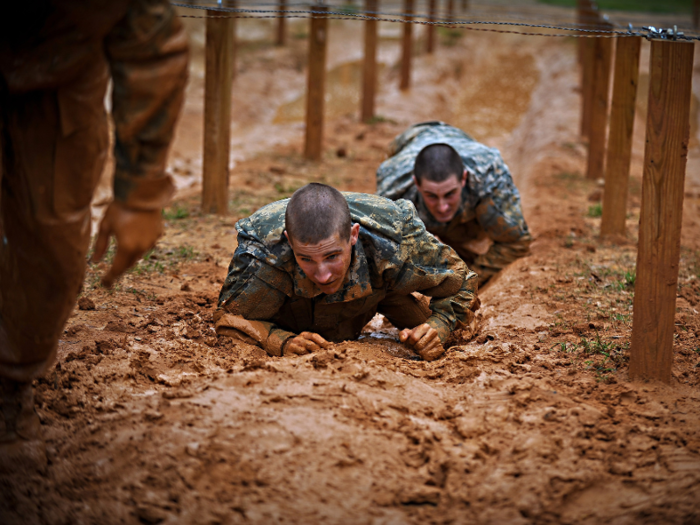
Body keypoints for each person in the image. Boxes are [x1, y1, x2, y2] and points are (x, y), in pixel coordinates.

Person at [0, 0, 189, 444]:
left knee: (52, 241)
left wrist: (139, 195)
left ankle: (10, 380)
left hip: (58, 78)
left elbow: (153, 45)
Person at [216, 183, 479, 361]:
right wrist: (281, 342)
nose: (322, 275)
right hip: (293, 309)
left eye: (332, 256)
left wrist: (439, 326)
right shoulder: (265, 253)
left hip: (379, 290)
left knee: (437, 330)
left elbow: (461, 282)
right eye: (305, 258)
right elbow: (228, 319)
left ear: (353, 234)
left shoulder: (396, 239)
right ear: (288, 240)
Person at [376, 121, 531, 285]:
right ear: (417, 183)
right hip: (409, 139)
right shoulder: (393, 187)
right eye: (432, 196)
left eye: (450, 194)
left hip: (461, 141)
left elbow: (516, 243)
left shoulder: (488, 180)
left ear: (464, 179)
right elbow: (380, 252)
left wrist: (468, 280)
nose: (442, 207)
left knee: (474, 233)